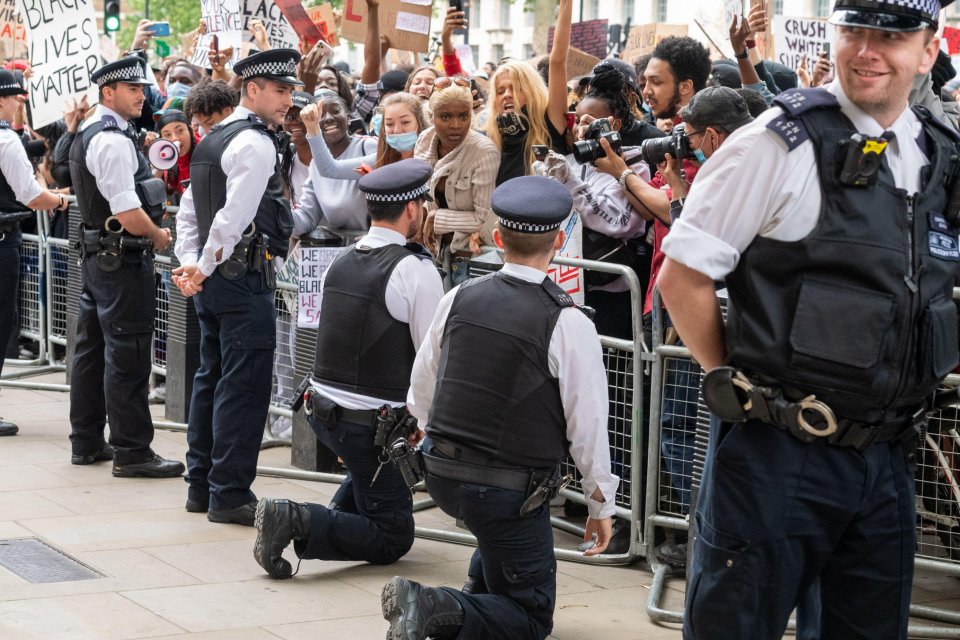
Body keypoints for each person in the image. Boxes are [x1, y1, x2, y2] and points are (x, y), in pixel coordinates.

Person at [656, 1, 958, 637]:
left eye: (892, 36)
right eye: (854, 31)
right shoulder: (773, 143)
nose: (868, 50)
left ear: (927, 52)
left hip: (885, 458)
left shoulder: (941, 157)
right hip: (775, 452)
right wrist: (733, 384)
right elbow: (682, 279)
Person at [382, 175, 619, 640]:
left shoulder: (459, 296)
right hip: (508, 493)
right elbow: (587, 425)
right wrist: (599, 504)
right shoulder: (567, 321)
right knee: (531, 618)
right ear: (558, 239)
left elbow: (420, 390)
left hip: (444, 475)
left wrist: (442, 439)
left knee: (493, 528)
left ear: (496, 238)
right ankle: (433, 604)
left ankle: (472, 596)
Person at [253, 159, 443, 579]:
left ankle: (299, 522)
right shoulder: (415, 269)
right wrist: (427, 424)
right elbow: (430, 360)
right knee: (394, 533)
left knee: (367, 482)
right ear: (413, 209)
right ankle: (296, 518)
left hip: (325, 412)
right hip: (371, 428)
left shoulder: (343, 258)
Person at [172, 49, 302, 526]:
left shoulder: (216, 137)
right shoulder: (255, 142)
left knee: (212, 378)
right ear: (253, 89)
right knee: (242, 387)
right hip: (240, 279)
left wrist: (192, 265)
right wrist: (200, 267)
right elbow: (232, 218)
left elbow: (189, 213)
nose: (288, 99)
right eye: (281, 90)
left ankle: (201, 485)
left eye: (290, 90)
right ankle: (228, 493)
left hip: (216, 280)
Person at [67, 57, 184, 477]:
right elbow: (128, 210)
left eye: (142, 88)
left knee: (93, 352)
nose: (141, 95)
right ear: (108, 93)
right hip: (121, 258)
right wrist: (158, 235)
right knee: (128, 356)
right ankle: (132, 450)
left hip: (102, 258)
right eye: (133, 89)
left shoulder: (94, 130)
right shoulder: (112, 140)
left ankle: (86, 441)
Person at [0, 69, 70, 436]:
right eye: (16, 98)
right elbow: (29, 193)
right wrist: (60, 200)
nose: (18, 106)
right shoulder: (6, 140)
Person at [415, 77, 500, 283]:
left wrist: (437, 217)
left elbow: (483, 218)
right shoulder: (424, 141)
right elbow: (421, 195)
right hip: (432, 254)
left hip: (471, 259)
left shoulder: (484, 151)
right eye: (445, 117)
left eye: (463, 116)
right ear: (431, 116)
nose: (456, 125)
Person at [487, 0, 572, 185]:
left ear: (532, 91)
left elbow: (557, 62)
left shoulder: (550, 122)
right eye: (500, 91)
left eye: (516, 88)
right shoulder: (490, 138)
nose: (507, 95)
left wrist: (566, 4)